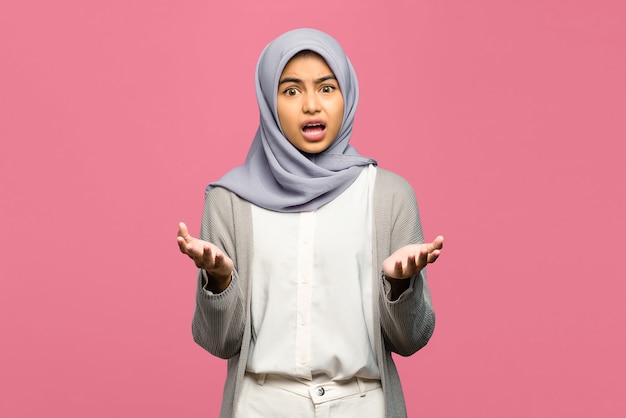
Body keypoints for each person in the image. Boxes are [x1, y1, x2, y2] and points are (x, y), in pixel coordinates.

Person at [177, 28, 444, 418]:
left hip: (362, 406)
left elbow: (412, 339)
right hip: (261, 405)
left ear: (346, 95)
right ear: (269, 101)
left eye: (325, 88)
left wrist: (401, 286)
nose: (311, 106)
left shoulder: (389, 195)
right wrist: (219, 283)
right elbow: (217, 343)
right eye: (291, 91)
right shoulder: (229, 201)